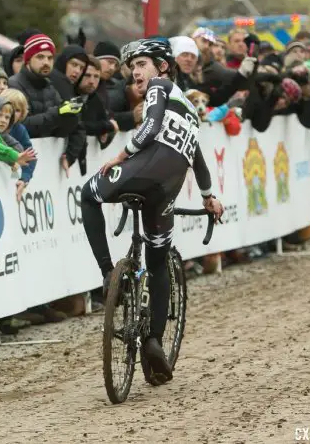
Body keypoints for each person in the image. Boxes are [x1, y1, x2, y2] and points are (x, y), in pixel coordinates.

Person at [81, 39, 223, 384]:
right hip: (167, 190)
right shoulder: (188, 107)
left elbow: (151, 124)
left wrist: (123, 153)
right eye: (132, 68)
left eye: (141, 64)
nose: (135, 73)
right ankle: (155, 341)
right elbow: (198, 159)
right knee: (158, 261)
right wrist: (208, 197)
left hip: (145, 170)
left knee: (88, 194)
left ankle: (106, 275)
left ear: (162, 66)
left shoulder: (160, 86)